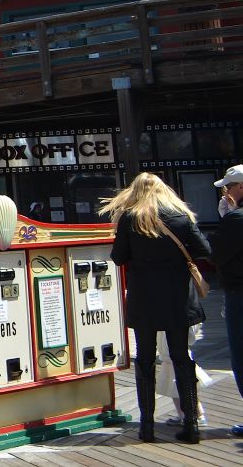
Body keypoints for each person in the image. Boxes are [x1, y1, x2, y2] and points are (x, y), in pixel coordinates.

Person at [103, 171, 211, 444]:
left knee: (145, 360)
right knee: (181, 359)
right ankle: (191, 425)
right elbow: (203, 249)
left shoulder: (130, 219)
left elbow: (118, 258)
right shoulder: (181, 216)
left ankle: (147, 426)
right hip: (177, 298)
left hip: (145, 299)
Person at [207, 165, 243, 437]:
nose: (224, 192)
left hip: (239, 294)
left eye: (227, 187)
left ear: (239, 187)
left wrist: (226, 218)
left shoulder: (236, 219)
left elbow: (216, 253)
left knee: (241, 355)